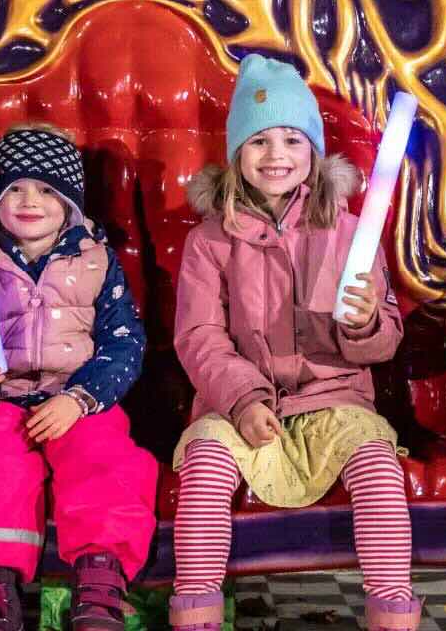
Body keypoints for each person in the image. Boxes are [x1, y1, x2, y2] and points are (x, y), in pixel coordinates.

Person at [169, 55, 419, 631]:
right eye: (259, 140)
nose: (276, 154)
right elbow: (199, 336)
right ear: (237, 153)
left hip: (336, 400)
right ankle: (198, 613)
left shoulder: (350, 232)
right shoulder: (209, 242)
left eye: (291, 139)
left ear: (313, 151)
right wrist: (243, 400)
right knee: (205, 463)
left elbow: (384, 340)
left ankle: (392, 613)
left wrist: (363, 324)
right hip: (238, 403)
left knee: (378, 466)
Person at [0, 124, 157, 631]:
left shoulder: (96, 260)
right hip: (0, 399)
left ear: (70, 203)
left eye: (45, 190)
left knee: (106, 458)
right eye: (14, 189)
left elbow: (125, 342)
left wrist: (81, 398)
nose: (29, 201)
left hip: (76, 398)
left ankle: (100, 586)